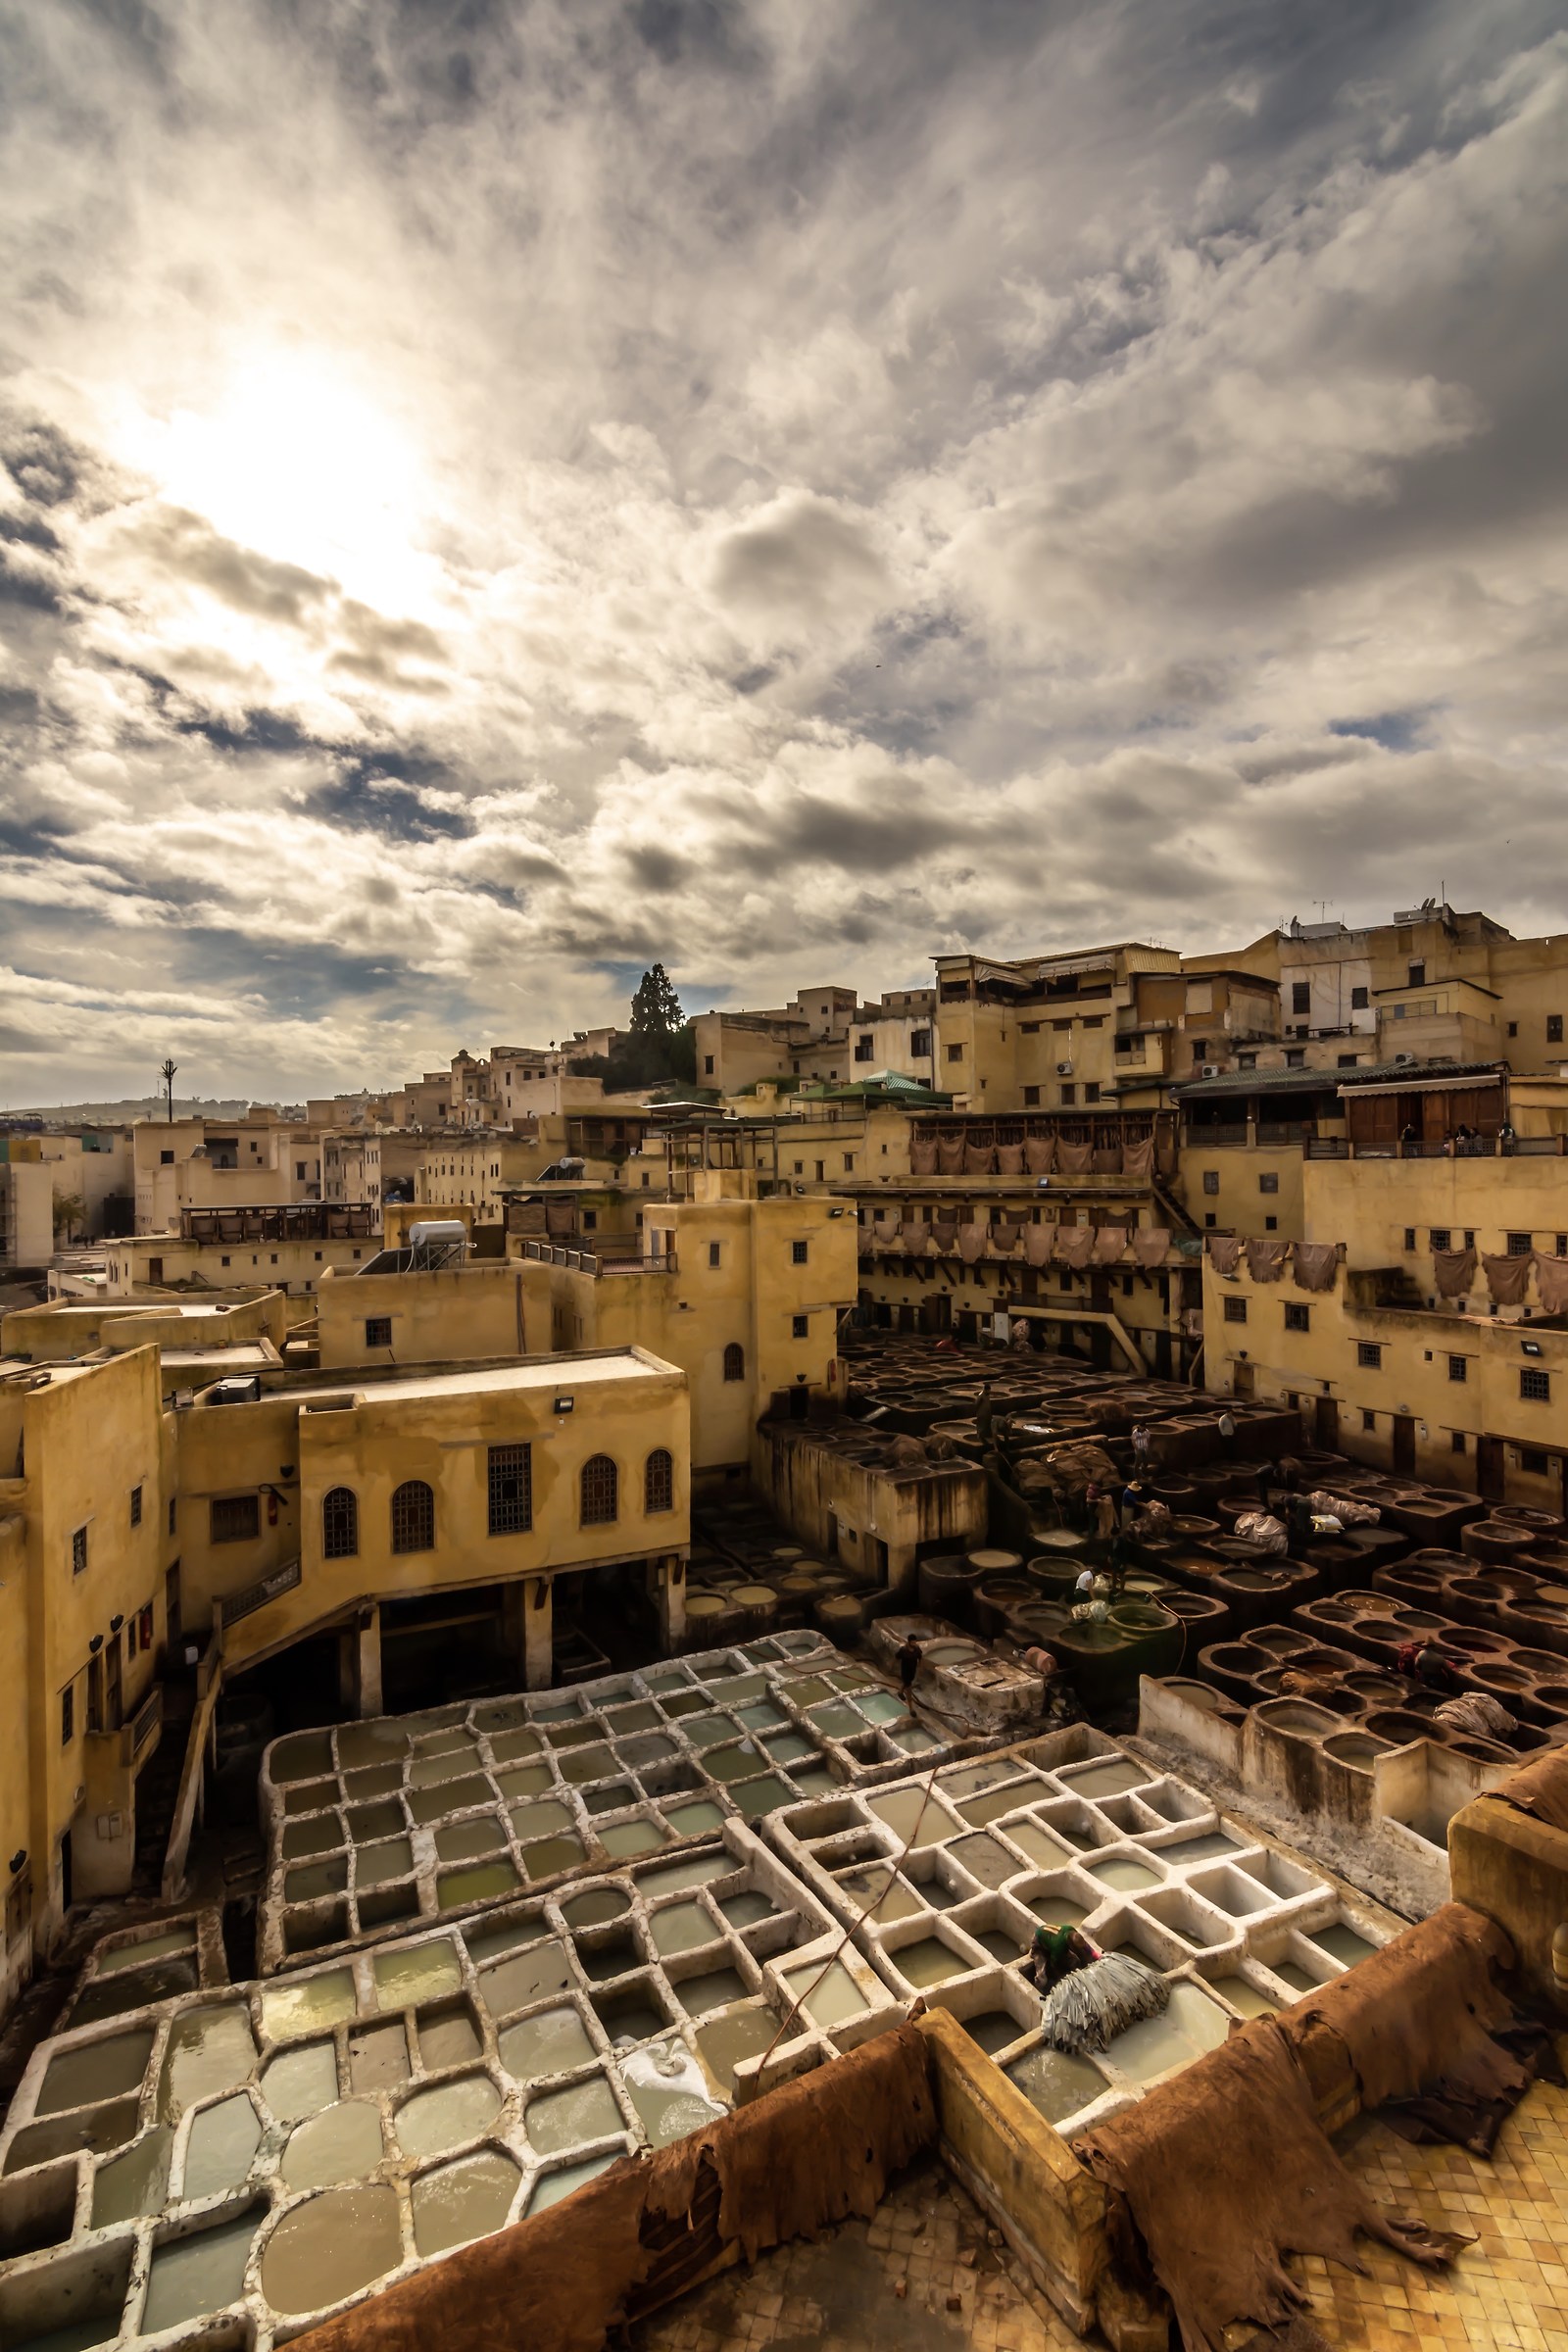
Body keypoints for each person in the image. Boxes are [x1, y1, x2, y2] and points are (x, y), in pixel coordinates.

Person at [1027, 1922, 1100, 1998]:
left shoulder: (1071, 1930)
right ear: (1070, 1943)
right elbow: (1054, 1965)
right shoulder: (1058, 1946)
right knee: (1042, 1976)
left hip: (1049, 1937)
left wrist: (1094, 1953)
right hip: (1039, 1943)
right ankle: (1040, 1992)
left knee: (1074, 1961)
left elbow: (1084, 1946)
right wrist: (1061, 1978)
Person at [896, 1635, 923, 1702]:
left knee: (907, 1682)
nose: (914, 1644)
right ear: (909, 1642)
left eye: (915, 1642)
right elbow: (897, 1657)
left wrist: (920, 1665)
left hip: (912, 1669)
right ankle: (911, 1708)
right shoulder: (903, 1650)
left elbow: (920, 1657)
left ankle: (900, 1692)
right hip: (905, 1670)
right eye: (912, 1643)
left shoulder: (917, 1649)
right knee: (909, 1687)